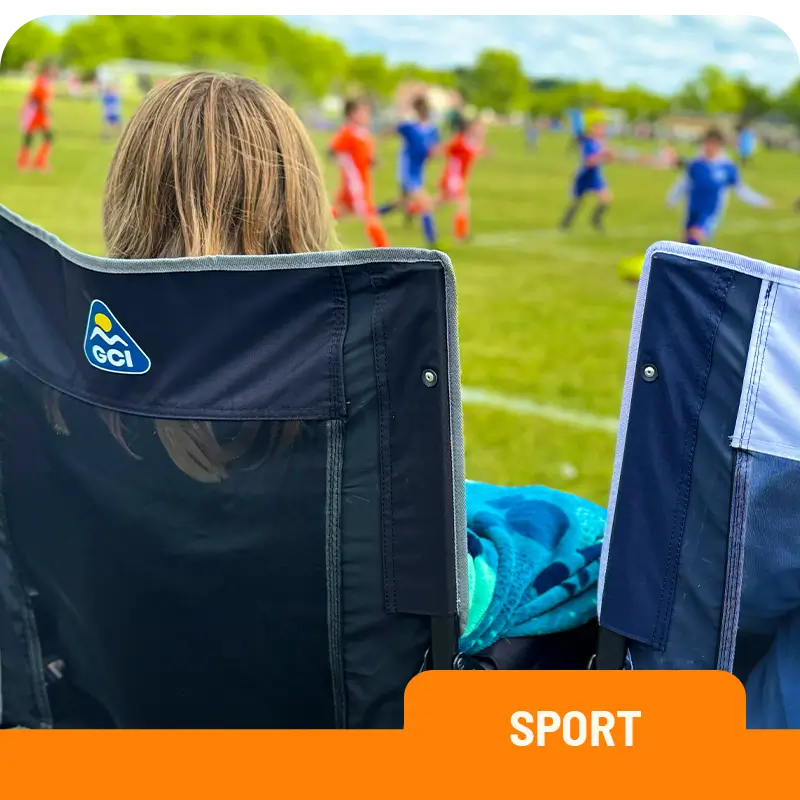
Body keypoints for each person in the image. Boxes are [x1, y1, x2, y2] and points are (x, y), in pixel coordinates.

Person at [29, 73, 604, 726]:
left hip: (122, 710)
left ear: (126, 196)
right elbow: (451, 602)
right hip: (325, 729)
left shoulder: (51, 390)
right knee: (574, 539)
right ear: (299, 203)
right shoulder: (348, 403)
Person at [667, 127, 771, 246]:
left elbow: (741, 190)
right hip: (692, 209)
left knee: (694, 238)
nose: (709, 147)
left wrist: (761, 201)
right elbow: (683, 183)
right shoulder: (695, 164)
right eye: (706, 143)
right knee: (684, 244)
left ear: (719, 146)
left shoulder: (728, 168)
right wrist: (672, 199)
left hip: (711, 212)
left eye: (712, 144)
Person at [378, 95, 440, 247]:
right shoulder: (409, 127)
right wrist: (379, 141)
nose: (425, 111)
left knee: (400, 202)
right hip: (407, 172)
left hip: (419, 172)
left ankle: (372, 214)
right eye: (422, 109)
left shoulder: (432, 130)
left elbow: (433, 150)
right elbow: (390, 131)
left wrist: (432, 154)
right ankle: (433, 241)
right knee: (426, 204)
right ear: (418, 110)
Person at [328, 98, 390, 248]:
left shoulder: (363, 133)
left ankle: (308, 225)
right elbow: (333, 151)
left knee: (338, 212)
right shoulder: (347, 132)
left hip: (362, 181)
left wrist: (372, 161)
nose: (366, 115)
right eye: (362, 112)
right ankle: (387, 252)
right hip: (356, 184)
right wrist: (345, 164)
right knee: (370, 215)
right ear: (352, 114)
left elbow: (364, 156)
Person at [559, 112, 614, 232]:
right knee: (577, 202)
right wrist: (602, 154)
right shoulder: (587, 142)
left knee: (606, 199)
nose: (603, 130)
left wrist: (608, 152)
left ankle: (595, 220)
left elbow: (610, 158)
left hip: (595, 175)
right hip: (584, 174)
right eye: (600, 128)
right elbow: (589, 161)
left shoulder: (601, 142)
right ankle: (565, 222)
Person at [436, 115, 486, 242]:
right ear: (470, 128)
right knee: (463, 202)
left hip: (458, 178)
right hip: (453, 178)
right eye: (479, 127)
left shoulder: (471, 141)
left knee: (438, 203)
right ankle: (461, 234)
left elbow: (476, 150)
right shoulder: (460, 140)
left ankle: (414, 209)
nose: (482, 130)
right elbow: (445, 148)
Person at [17, 60, 57, 172]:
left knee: (33, 137)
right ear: (48, 71)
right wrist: (47, 111)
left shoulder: (43, 81)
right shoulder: (41, 82)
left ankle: (31, 161)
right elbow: (39, 99)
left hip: (36, 113)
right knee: (45, 137)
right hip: (35, 113)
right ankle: (35, 161)